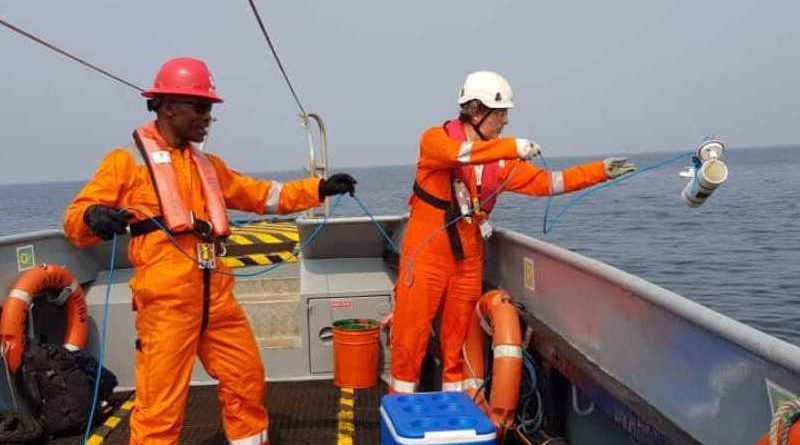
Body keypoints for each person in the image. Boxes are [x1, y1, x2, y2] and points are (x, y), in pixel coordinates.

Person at [63, 57, 357, 445]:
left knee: (246, 380)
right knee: (160, 408)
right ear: (168, 106)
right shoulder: (126, 163)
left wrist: (318, 189)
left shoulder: (208, 165)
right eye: (201, 108)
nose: (207, 118)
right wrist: (92, 215)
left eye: (210, 111)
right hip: (166, 305)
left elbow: (262, 195)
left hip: (218, 301)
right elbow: (74, 219)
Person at [390, 70, 635, 393]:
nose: (505, 120)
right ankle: (400, 404)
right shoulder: (435, 140)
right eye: (501, 112)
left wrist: (600, 171)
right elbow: (457, 154)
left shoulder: (502, 163)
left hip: (468, 257)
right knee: (410, 335)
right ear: (476, 111)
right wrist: (512, 147)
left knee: (459, 338)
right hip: (426, 255)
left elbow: (548, 182)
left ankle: (457, 408)